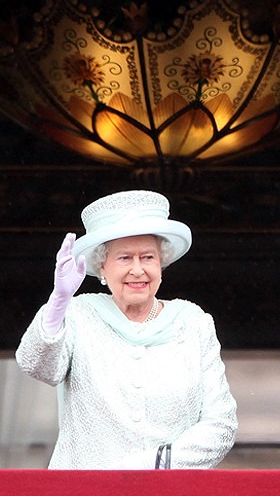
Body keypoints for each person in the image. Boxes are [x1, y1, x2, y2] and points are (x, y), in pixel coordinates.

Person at [16, 190, 237, 469]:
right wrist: (58, 302)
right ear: (102, 267)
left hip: (168, 495)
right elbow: (38, 366)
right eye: (124, 258)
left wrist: (158, 464)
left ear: (161, 264)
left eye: (147, 257)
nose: (137, 270)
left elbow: (222, 422)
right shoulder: (79, 315)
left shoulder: (193, 323)